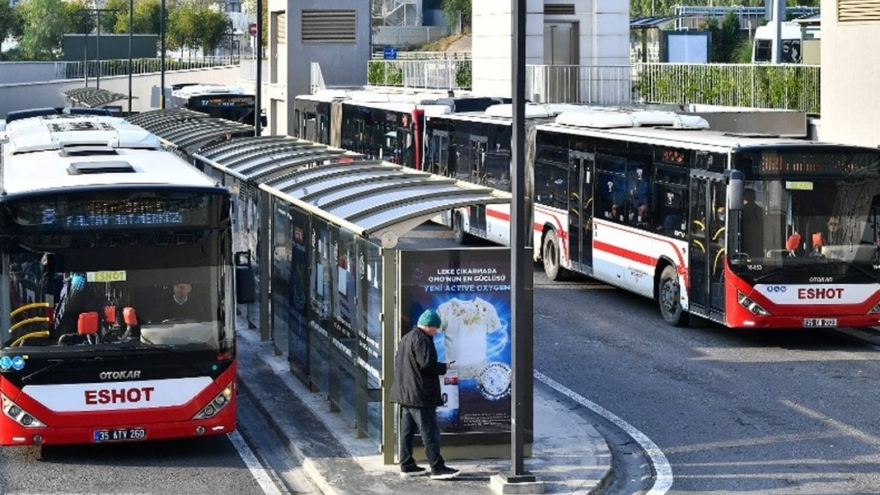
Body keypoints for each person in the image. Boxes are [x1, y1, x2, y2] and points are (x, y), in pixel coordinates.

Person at [390, 309, 460, 480]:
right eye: (435, 328)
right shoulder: (422, 340)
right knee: (429, 432)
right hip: (419, 395)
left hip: (405, 393)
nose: (436, 332)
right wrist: (445, 367)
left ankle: (406, 464)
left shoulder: (406, 338)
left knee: (406, 432)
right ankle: (437, 467)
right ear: (428, 326)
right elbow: (427, 365)